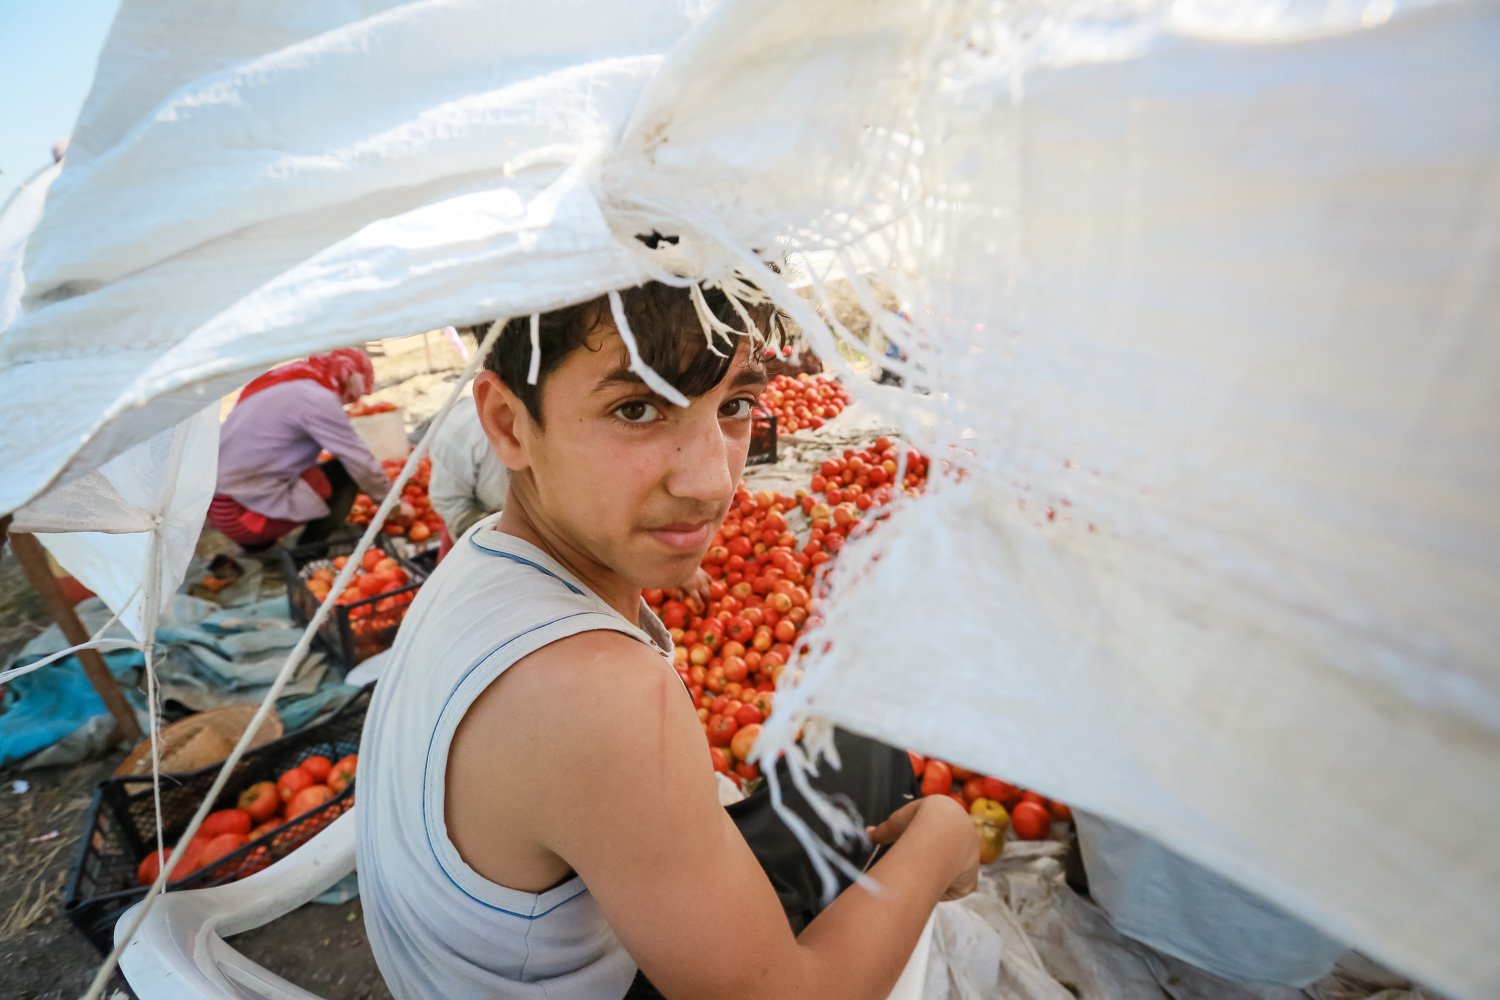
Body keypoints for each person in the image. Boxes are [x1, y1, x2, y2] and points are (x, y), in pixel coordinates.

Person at [357, 282, 978, 1000]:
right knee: (879, 784)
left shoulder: (478, 557)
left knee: (857, 750)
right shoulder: (597, 695)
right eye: (636, 409)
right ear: (507, 423)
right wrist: (939, 837)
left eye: (735, 406)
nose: (713, 482)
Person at [209, 349, 392, 550]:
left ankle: (263, 547)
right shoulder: (317, 398)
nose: (352, 402)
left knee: (318, 470)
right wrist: (391, 504)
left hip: (218, 506)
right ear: (351, 378)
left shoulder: (289, 379)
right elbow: (359, 460)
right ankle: (311, 550)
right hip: (243, 517)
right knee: (342, 472)